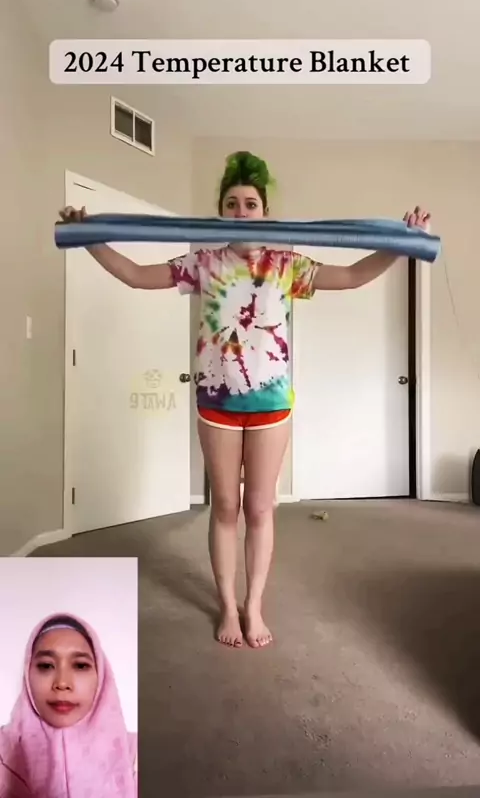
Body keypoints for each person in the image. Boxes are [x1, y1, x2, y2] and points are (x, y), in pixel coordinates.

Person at [58, 150, 431, 650]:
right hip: (217, 404)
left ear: (264, 211)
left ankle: (253, 606)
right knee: (226, 507)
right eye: (231, 203)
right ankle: (227, 605)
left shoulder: (286, 265)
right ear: (220, 212)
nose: (241, 211)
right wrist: (88, 239)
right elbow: (135, 274)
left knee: (259, 508)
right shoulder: (203, 263)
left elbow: (352, 276)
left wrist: (401, 245)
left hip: (272, 405)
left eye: (250, 204)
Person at [0, 613, 137, 797]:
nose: (62, 683)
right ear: (28, 673)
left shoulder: (139, 756)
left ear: (102, 677)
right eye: (46, 666)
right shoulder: (4, 754)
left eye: (80, 665)